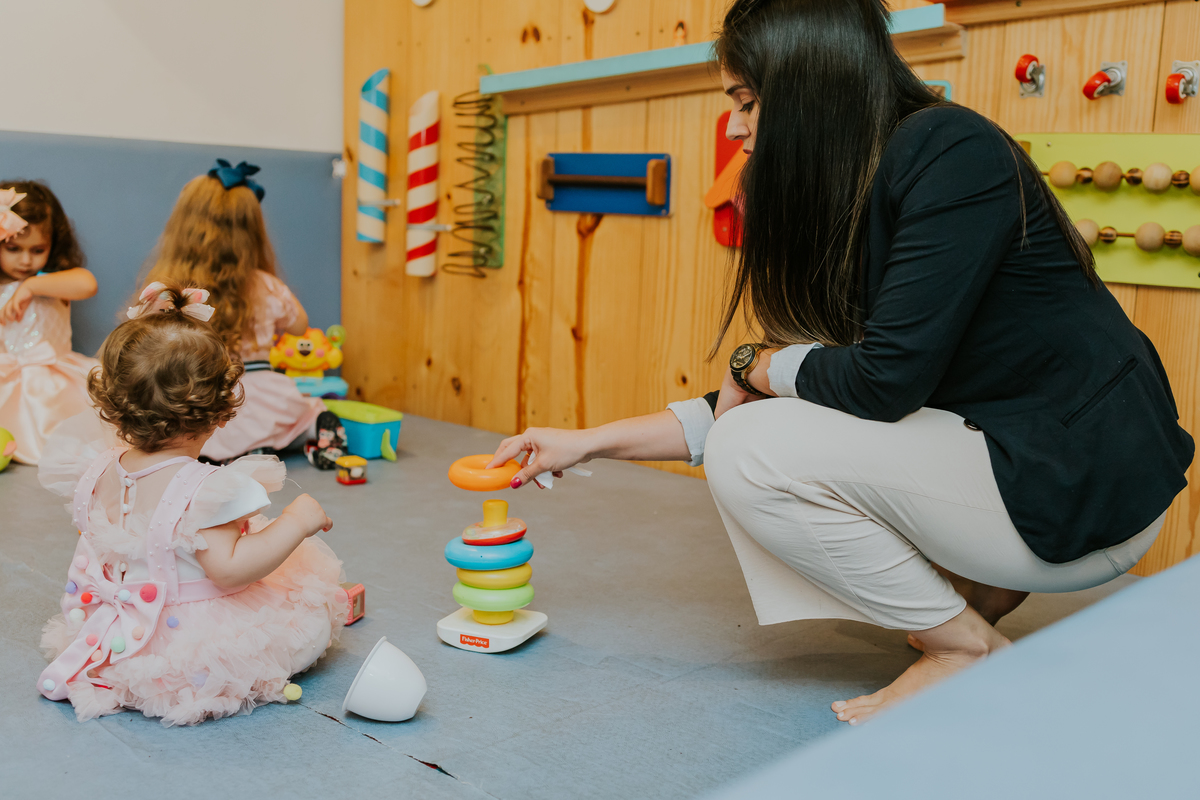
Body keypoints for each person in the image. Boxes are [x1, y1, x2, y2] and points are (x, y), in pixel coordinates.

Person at [488, 0, 1194, 726]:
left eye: (746, 100)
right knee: (766, 420)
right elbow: (783, 395)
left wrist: (757, 364)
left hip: (1091, 485)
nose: (734, 125)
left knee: (754, 446)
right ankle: (976, 607)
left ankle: (963, 650)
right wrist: (587, 442)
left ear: (810, 87)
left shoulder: (951, 151)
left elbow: (872, 385)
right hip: (1019, 458)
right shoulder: (860, 185)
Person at [36, 282, 346, 725]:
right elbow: (230, 570)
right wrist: (296, 522)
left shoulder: (97, 468)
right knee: (310, 617)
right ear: (219, 412)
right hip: (188, 646)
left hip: (120, 630)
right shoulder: (203, 488)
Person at [144, 160, 344, 466]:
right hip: (266, 398)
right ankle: (299, 434)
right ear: (252, 232)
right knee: (307, 409)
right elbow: (300, 326)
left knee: (177, 418)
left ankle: (241, 451)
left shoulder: (171, 291)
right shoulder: (266, 286)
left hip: (203, 403)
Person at [0, 181, 99, 464]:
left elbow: (87, 284)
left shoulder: (53, 280)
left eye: (37, 249)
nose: (25, 260)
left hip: (52, 384)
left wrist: (31, 286)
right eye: (14, 248)